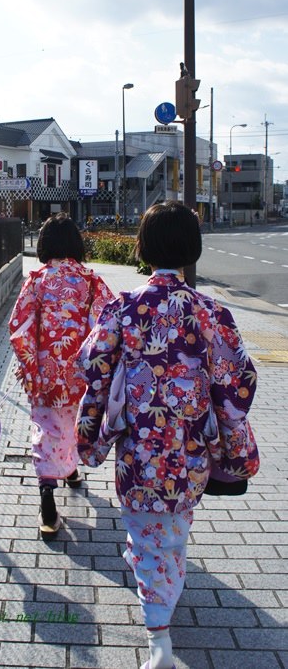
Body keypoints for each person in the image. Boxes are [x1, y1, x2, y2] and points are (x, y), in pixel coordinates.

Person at [76, 201, 259, 669]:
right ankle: (161, 576)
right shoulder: (212, 312)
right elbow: (240, 380)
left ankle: (159, 637)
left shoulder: (124, 306)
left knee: (148, 535)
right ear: (193, 250)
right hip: (192, 450)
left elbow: (90, 363)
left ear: (141, 246)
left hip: (139, 451)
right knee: (174, 528)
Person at [9, 212, 114, 536]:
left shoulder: (37, 280)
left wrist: (29, 366)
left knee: (48, 427)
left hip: (45, 373)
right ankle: (69, 472)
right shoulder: (91, 281)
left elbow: (19, 327)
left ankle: (48, 491)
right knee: (73, 423)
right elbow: (105, 326)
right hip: (80, 375)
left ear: (44, 245)